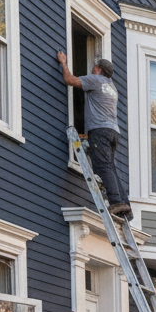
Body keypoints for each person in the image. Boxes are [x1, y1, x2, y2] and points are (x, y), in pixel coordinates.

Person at [56, 52, 132, 219]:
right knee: (110, 167)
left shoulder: (96, 80)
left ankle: (117, 202)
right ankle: (125, 206)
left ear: (98, 69)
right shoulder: (112, 87)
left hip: (100, 130)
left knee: (103, 167)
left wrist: (63, 62)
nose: (91, 69)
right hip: (113, 132)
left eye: (94, 67)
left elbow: (69, 79)